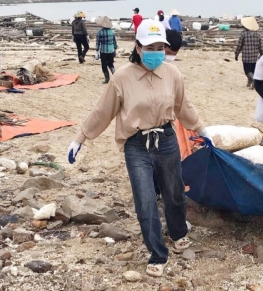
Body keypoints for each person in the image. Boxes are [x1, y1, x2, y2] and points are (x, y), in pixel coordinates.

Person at [67, 19, 214, 278]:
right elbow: (103, 111)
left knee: (175, 193)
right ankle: (158, 253)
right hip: (136, 145)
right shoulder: (122, 77)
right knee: (145, 201)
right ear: (137, 46)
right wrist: (80, 138)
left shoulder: (173, 74)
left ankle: (178, 232)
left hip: (167, 140)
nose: (156, 51)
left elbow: (183, 107)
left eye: (161, 47)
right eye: (150, 46)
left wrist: (203, 130)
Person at [235, 17, 263, 88]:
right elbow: (261, 47)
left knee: (247, 71)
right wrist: (262, 54)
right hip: (254, 56)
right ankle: (249, 83)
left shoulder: (243, 34)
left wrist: (236, 54)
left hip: (246, 56)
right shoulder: (258, 35)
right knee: (252, 70)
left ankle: (253, 80)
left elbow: (239, 45)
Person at [95, 16, 118, 84]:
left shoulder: (100, 32)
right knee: (111, 64)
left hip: (104, 50)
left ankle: (107, 79)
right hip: (111, 50)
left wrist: (97, 50)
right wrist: (115, 48)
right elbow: (114, 41)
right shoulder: (112, 32)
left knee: (104, 65)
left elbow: (98, 42)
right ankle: (115, 77)